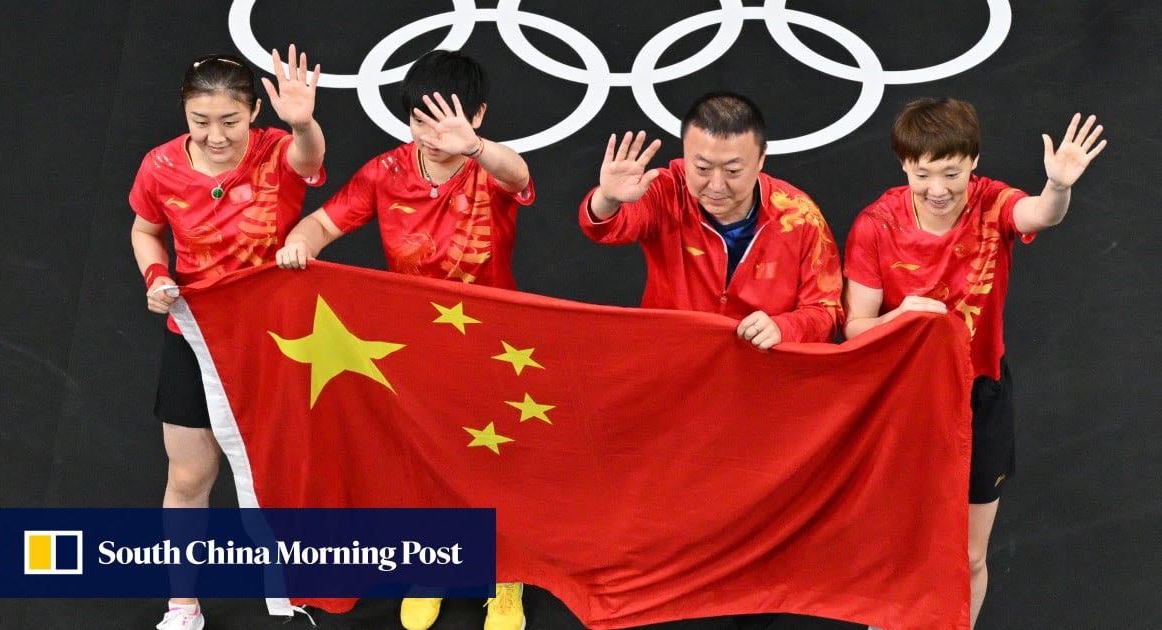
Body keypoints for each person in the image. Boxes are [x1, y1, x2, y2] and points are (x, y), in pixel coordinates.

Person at [274, 49, 534, 630]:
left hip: (495, 345)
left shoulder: (488, 167)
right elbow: (321, 222)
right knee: (424, 457)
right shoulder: (384, 173)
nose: (433, 135)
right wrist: (301, 243)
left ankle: (505, 578)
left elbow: (518, 175)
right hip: (416, 346)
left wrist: (472, 146)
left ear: (479, 116)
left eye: (448, 122)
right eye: (421, 121)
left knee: (495, 461)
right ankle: (434, 567)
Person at [842, 97, 1106, 629]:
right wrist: (903, 317)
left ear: (974, 162)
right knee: (899, 546)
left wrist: (1058, 186)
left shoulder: (991, 205)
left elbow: (1038, 214)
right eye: (923, 174)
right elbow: (854, 329)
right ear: (904, 166)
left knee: (970, 555)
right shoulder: (874, 226)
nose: (938, 189)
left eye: (952, 173)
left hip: (979, 395)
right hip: (902, 402)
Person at [129, 45, 325, 630]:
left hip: (277, 338)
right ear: (184, 115)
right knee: (188, 476)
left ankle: (291, 586)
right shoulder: (159, 166)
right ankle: (182, 606)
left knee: (281, 468)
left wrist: (302, 121)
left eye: (231, 121)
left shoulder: (276, 151)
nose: (216, 136)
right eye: (201, 121)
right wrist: (156, 274)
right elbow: (145, 231)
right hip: (195, 336)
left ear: (253, 113)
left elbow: (310, 158)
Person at [578, 91, 843, 349]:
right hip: (671, 357)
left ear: (761, 158)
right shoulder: (665, 191)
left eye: (732, 171)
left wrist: (783, 328)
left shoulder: (800, 217)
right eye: (702, 168)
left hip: (761, 367)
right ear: (685, 153)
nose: (716, 186)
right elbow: (604, 228)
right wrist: (609, 199)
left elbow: (826, 312)